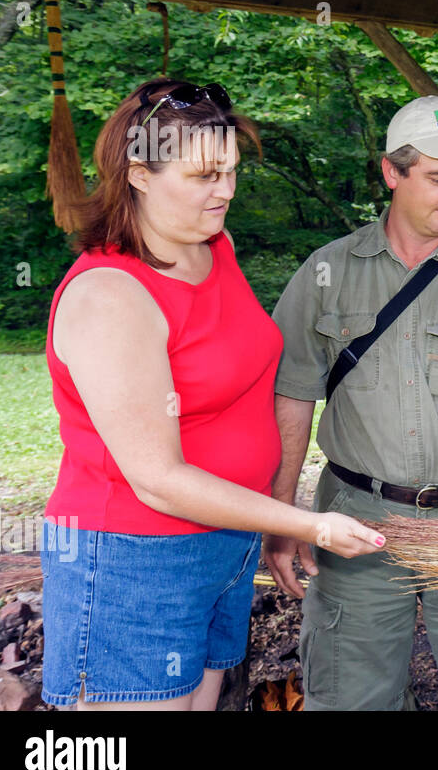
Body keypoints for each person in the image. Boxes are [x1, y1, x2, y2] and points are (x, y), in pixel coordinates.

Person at [41, 79, 384, 711]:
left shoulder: (211, 246)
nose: (225, 190)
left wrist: (271, 523)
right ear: (139, 174)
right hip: (135, 561)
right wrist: (307, 523)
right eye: (203, 175)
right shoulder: (110, 296)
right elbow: (157, 479)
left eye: (229, 170)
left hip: (226, 538)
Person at [266, 94, 438, 711]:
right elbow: (292, 396)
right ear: (393, 172)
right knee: (352, 695)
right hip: (355, 517)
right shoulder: (326, 272)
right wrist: (283, 518)